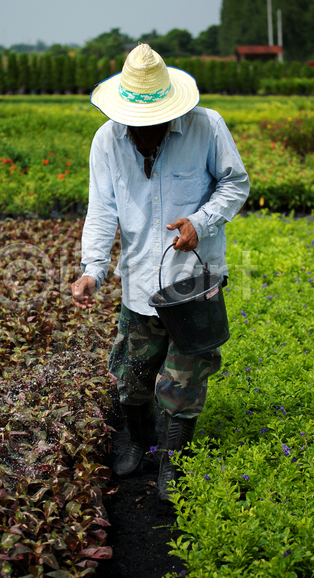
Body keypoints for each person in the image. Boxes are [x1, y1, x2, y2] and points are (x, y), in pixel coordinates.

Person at [71, 44, 250, 501]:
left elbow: (235, 183)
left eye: (154, 125)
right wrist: (93, 269)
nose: (143, 134)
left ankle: (173, 465)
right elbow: (102, 209)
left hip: (194, 285)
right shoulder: (106, 141)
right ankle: (136, 441)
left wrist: (201, 221)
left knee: (182, 383)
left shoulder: (206, 127)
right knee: (132, 379)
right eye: (136, 127)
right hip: (138, 285)